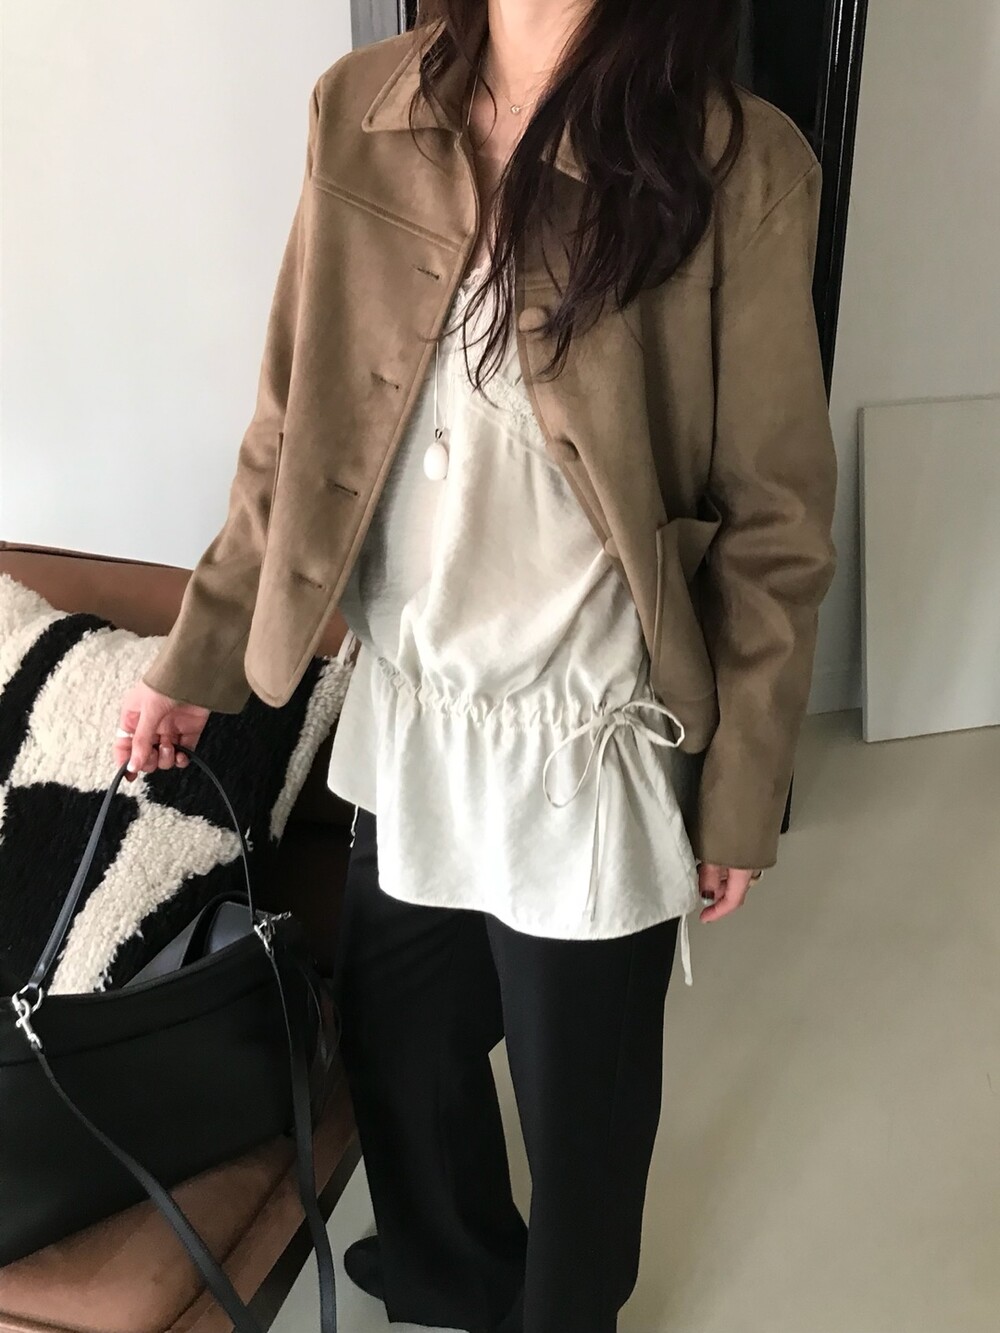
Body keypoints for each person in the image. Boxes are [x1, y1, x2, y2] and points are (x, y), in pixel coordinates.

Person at [113, 1, 838, 1329]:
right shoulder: (363, 107)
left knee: (581, 1099)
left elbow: (776, 513)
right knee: (404, 1045)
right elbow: (291, 429)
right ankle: (451, 1272)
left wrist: (741, 786)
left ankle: (566, 1310)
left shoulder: (738, 161)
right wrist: (194, 655)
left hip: (587, 726)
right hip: (412, 711)